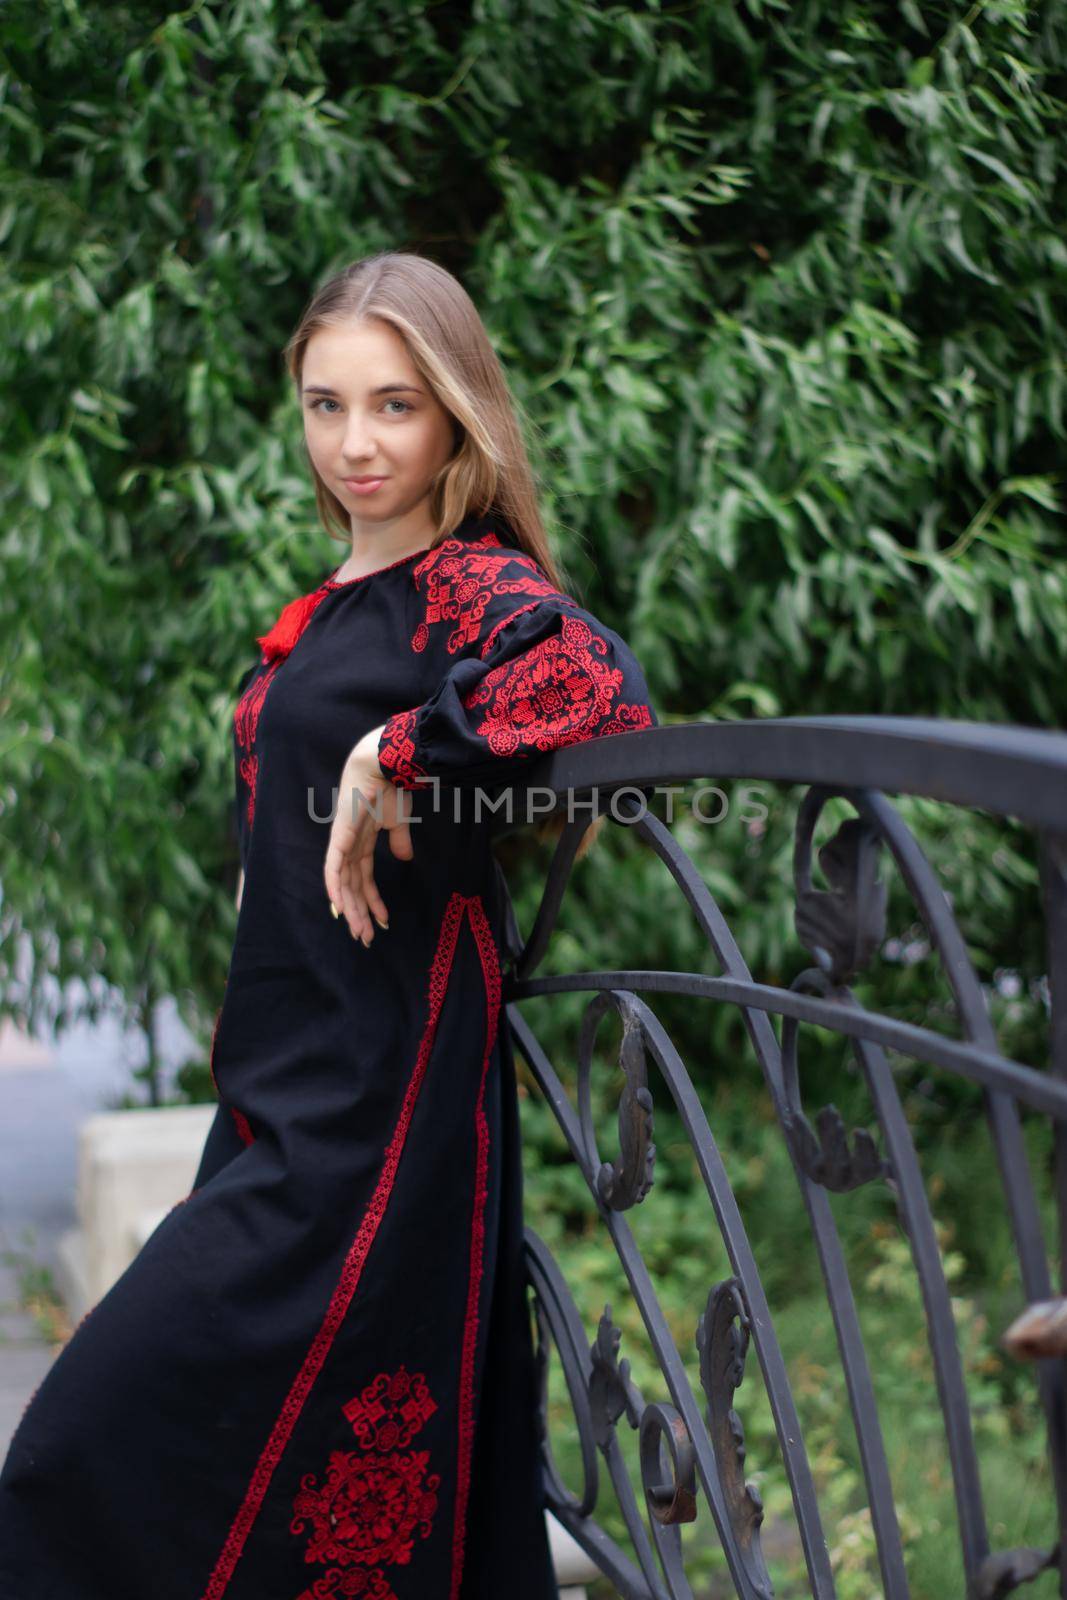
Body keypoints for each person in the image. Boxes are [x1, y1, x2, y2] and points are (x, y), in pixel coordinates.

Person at [0, 251, 658, 1599]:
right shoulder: (350, 597)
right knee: (243, 1482)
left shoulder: (466, 587)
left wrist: (395, 755)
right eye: (325, 403)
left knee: (76, 1452)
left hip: (374, 1115)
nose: (355, 442)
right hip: (276, 1100)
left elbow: (599, 686)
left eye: (397, 406)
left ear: (458, 413)